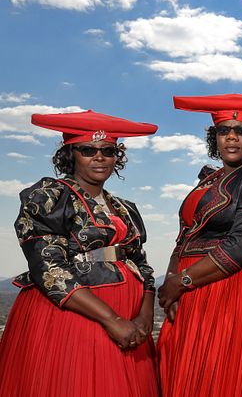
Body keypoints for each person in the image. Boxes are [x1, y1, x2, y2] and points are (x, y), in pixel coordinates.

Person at [0, 110, 159, 396]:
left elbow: (141, 263)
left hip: (129, 321)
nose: (99, 157)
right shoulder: (50, 196)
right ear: (71, 155)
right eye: (88, 150)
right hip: (76, 317)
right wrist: (112, 320)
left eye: (107, 151)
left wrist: (144, 316)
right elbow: (48, 268)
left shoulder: (124, 207)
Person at [156, 94, 242, 396]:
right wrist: (171, 283)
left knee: (225, 374)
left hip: (237, 281)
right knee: (187, 371)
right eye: (223, 130)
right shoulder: (211, 178)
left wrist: (182, 281)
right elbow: (185, 236)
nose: (231, 137)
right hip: (193, 284)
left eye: (241, 130)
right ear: (214, 137)